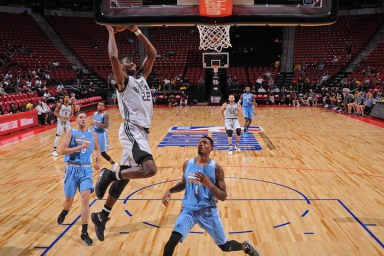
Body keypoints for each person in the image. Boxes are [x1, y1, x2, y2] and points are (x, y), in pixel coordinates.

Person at [91, 25, 157, 241]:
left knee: (126, 178)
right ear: (121, 67)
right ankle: (110, 174)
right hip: (131, 129)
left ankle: (102, 215)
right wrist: (111, 31)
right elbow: (113, 56)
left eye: (132, 62)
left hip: (142, 132)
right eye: (127, 62)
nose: (132, 63)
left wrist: (136, 31)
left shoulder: (141, 79)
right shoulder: (123, 82)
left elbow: (152, 53)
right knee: (149, 169)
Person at [162, 136, 260, 256]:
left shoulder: (217, 169)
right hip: (188, 211)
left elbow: (223, 196)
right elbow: (183, 183)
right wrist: (170, 190)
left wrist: (209, 184)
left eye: (205, 143)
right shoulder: (187, 164)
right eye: (200, 142)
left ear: (211, 149)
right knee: (173, 239)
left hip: (208, 212)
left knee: (224, 246)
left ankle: (246, 247)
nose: (201, 144)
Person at [56, 112, 100, 246]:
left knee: (86, 196)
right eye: (80, 117)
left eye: (84, 117)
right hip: (71, 169)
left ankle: (84, 232)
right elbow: (62, 150)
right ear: (76, 120)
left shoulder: (92, 134)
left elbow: (97, 149)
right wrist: (79, 147)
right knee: (69, 200)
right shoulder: (71, 131)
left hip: (86, 169)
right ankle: (65, 210)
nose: (83, 119)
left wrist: (98, 161)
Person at [91, 102, 118, 171]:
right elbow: (94, 124)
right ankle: (96, 164)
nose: (100, 106)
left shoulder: (105, 115)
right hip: (95, 133)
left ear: (104, 107)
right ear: (97, 106)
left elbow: (106, 126)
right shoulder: (94, 114)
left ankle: (113, 163)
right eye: (99, 105)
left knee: (102, 153)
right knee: (94, 149)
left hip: (101, 134)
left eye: (102, 105)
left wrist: (96, 123)